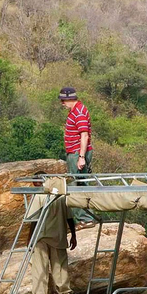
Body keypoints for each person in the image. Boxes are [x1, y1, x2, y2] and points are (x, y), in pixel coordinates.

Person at [19, 192, 79, 294]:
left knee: (40, 269)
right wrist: (73, 235)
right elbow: (69, 218)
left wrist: (30, 238)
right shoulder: (62, 197)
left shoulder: (38, 196)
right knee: (60, 269)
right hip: (58, 236)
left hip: (41, 237)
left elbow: (34, 219)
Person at [59, 85, 95, 223]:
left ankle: (85, 219)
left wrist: (81, 157)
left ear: (70, 99)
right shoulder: (75, 110)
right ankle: (86, 218)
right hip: (75, 152)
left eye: (63, 100)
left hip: (77, 153)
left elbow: (84, 136)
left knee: (77, 185)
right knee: (80, 184)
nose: (62, 103)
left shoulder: (79, 112)